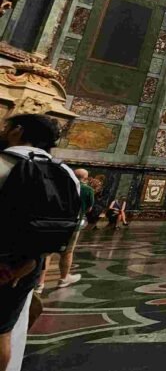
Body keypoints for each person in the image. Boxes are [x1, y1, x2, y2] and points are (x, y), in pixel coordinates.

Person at [0, 114, 81, 370]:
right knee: (3, 330)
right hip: (28, 264)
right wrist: (32, 260)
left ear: (18, 131)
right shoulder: (66, 173)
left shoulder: (3, 162)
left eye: (6, 126)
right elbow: (66, 225)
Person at [37, 168, 94, 293]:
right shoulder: (87, 190)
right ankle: (63, 278)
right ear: (86, 178)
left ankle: (39, 283)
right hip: (73, 224)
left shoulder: (60, 184)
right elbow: (89, 209)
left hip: (53, 222)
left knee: (47, 252)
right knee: (68, 252)